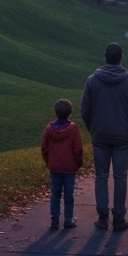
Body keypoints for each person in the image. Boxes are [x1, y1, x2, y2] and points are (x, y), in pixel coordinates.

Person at [80, 42, 128, 231]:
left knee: (101, 175)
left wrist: (94, 128)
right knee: (120, 177)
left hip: (100, 134)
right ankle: (119, 217)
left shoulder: (92, 81)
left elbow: (85, 110)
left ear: (105, 57)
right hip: (122, 136)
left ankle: (102, 216)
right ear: (121, 58)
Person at [40, 98, 84, 231]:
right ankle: (68, 219)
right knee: (68, 195)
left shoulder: (49, 129)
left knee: (55, 194)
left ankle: (54, 220)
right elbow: (77, 148)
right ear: (70, 113)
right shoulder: (73, 129)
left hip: (54, 167)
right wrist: (79, 162)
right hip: (69, 167)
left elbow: (44, 147)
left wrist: (49, 161)